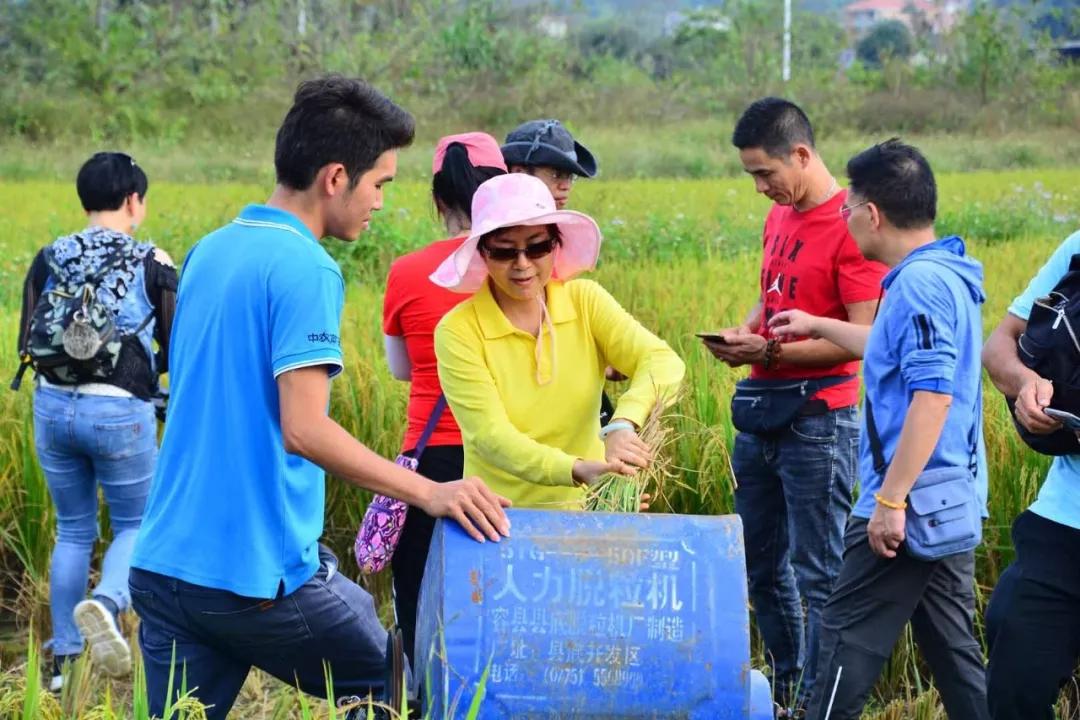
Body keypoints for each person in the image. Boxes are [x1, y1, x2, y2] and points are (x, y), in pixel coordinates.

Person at [127, 76, 510, 720]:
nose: (381, 203)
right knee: (400, 685)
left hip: (165, 569)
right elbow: (303, 428)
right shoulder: (306, 266)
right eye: (380, 183)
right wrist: (429, 492)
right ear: (336, 177)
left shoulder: (210, 250)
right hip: (254, 579)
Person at [771, 139, 990, 720]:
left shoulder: (917, 284)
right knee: (953, 651)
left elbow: (933, 393)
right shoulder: (944, 273)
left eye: (849, 209)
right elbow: (891, 348)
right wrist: (819, 323)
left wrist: (891, 500)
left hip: (908, 499)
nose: (844, 220)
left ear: (872, 214)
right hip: (948, 500)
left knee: (844, 640)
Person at [702, 97, 885, 712]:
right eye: (752, 175)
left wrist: (772, 353)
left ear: (801, 155)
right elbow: (769, 299)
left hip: (819, 421)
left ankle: (826, 701)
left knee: (820, 570)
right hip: (760, 408)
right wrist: (745, 333)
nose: (760, 188)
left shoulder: (851, 225)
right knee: (759, 565)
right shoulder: (779, 216)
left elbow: (862, 339)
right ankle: (787, 688)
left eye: (765, 173)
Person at [14, 152, 176, 691]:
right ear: (133, 200)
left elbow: (26, 343)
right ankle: (106, 603)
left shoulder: (48, 256)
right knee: (135, 524)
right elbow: (175, 347)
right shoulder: (152, 259)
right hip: (119, 411)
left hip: (53, 407)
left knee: (73, 529)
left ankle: (63, 662)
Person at [431, 172, 684, 510]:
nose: (523, 265)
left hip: (591, 511)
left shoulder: (585, 301)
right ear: (483, 253)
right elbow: (491, 437)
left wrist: (623, 424)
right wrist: (576, 470)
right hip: (500, 517)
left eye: (537, 247)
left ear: (556, 244)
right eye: (505, 252)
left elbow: (662, 361)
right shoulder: (460, 330)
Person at [382, 131, 506, 666]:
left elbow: (399, 369)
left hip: (429, 459)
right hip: (505, 454)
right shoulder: (521, 266)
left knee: (419, 602)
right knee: (501, 598)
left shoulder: (407, 271)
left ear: (438, 199)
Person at [982, 228, 1080, 719]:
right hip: (1065, 517)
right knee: (1014, 660)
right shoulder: (1079, 246)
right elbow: (1000, 344)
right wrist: (1026, 384)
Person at [501, 119, 597, 210]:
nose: (566, 186)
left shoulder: (568, 226)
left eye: (571, 176)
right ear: (519, 173)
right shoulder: (491, 224)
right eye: (556, 175)